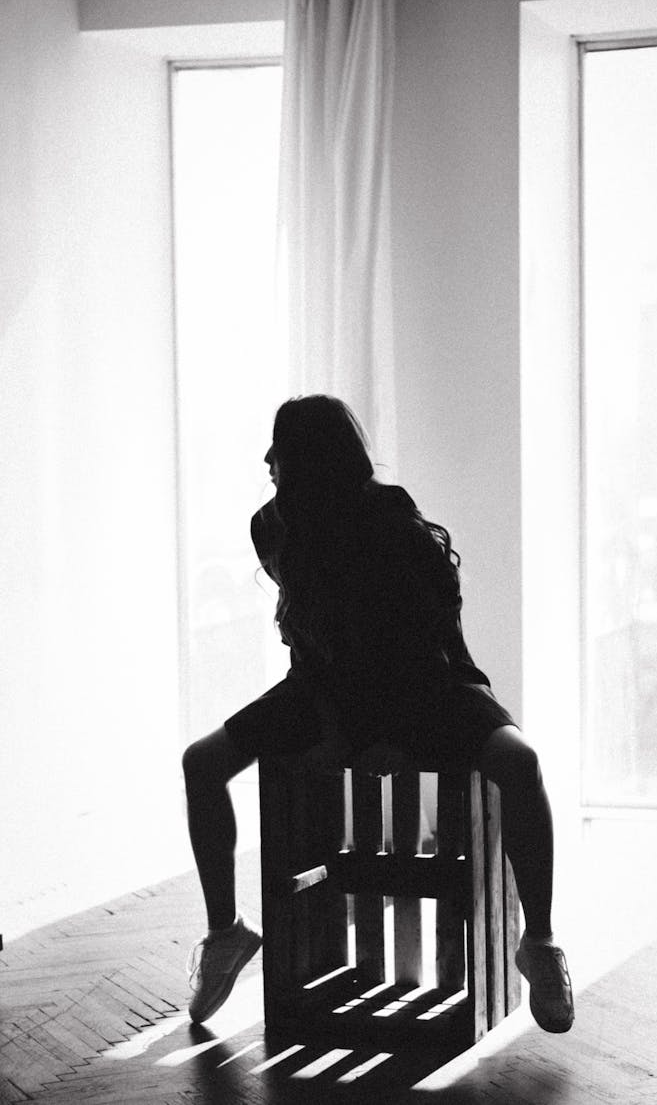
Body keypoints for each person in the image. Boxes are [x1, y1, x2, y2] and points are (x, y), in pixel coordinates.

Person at [182, 395, 574, 1032]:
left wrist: (399, 739)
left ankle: (541, 942)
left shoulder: (389, 521)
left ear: (310, 458)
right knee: (200, 763)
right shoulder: (270, 527)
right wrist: (338, 731)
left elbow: (424, 640)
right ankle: (225, 933)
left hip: (420, 685)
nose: (266, 459)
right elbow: (313, 638)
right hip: (320, 685)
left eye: (279, 446)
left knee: (519, 761)